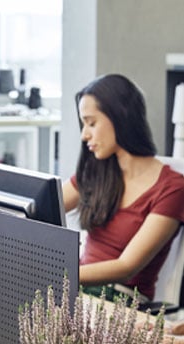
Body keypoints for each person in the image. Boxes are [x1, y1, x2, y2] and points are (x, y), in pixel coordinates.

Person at [63, 74, 184, 303]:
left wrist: (60, 276)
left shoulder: (172, 189)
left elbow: (126, 267)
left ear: (120, 117)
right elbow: (41, 205)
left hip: (122, 301)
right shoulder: (97, 174)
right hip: (79, 292)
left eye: (91, 123)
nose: (84, 134)